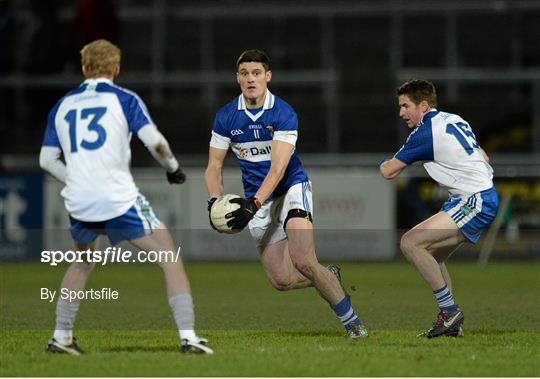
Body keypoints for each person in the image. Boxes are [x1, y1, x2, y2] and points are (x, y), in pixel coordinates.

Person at [39, 39, 213, 355]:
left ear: (84, 68)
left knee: (82, 261)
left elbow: (46, 160)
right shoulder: (125, 99)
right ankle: (189, 338)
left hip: (79, 200)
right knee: (169, 257)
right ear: (116, 69)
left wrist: (75, 178)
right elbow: (154, 141)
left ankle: (60, 338)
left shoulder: (62, 105)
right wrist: (173, 168)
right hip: (117, 198)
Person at [204, 49, 368, 339]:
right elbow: (213, 167)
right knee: (281, 280)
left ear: (268, 76)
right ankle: (329, 275)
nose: (250, 79)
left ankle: (352, 322)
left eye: (256, 73)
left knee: (303, 260)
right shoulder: (226, 117)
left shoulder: (283, 113)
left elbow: (278, 169)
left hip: (291, 188)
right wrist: (215, 202)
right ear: (237, 78)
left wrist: (252, 205)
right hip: (259, 201)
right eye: (244, 73)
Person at [379, 79, 499, 338]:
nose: (401, 113)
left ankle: (449, 312)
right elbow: (484, 156)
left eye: (405, 106)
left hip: (474, 199)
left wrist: (382, 162)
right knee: (432, 254)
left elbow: (389, 172)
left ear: (423, 106)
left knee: (410, 243)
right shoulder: (454, 119)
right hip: (480, 195)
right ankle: (451, 321)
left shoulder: (425, 132)